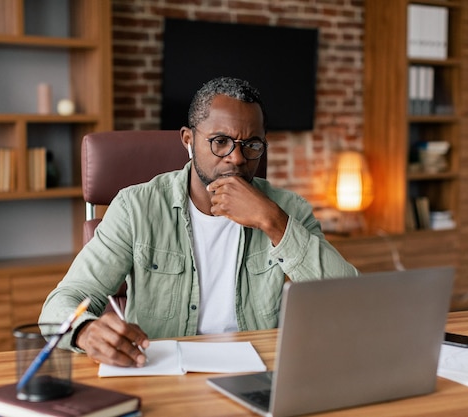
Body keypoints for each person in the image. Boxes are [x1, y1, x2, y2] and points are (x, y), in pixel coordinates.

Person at [40, 76, 357, 367]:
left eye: (252, 145)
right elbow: (61, 303)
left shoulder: (288, 209)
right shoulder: (137, 207)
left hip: (256, 370)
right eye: (220, 141)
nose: (236, 158)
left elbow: (351, 301)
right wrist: (84, 331)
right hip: (163, 369)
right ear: (188, 140)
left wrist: (274, 222)